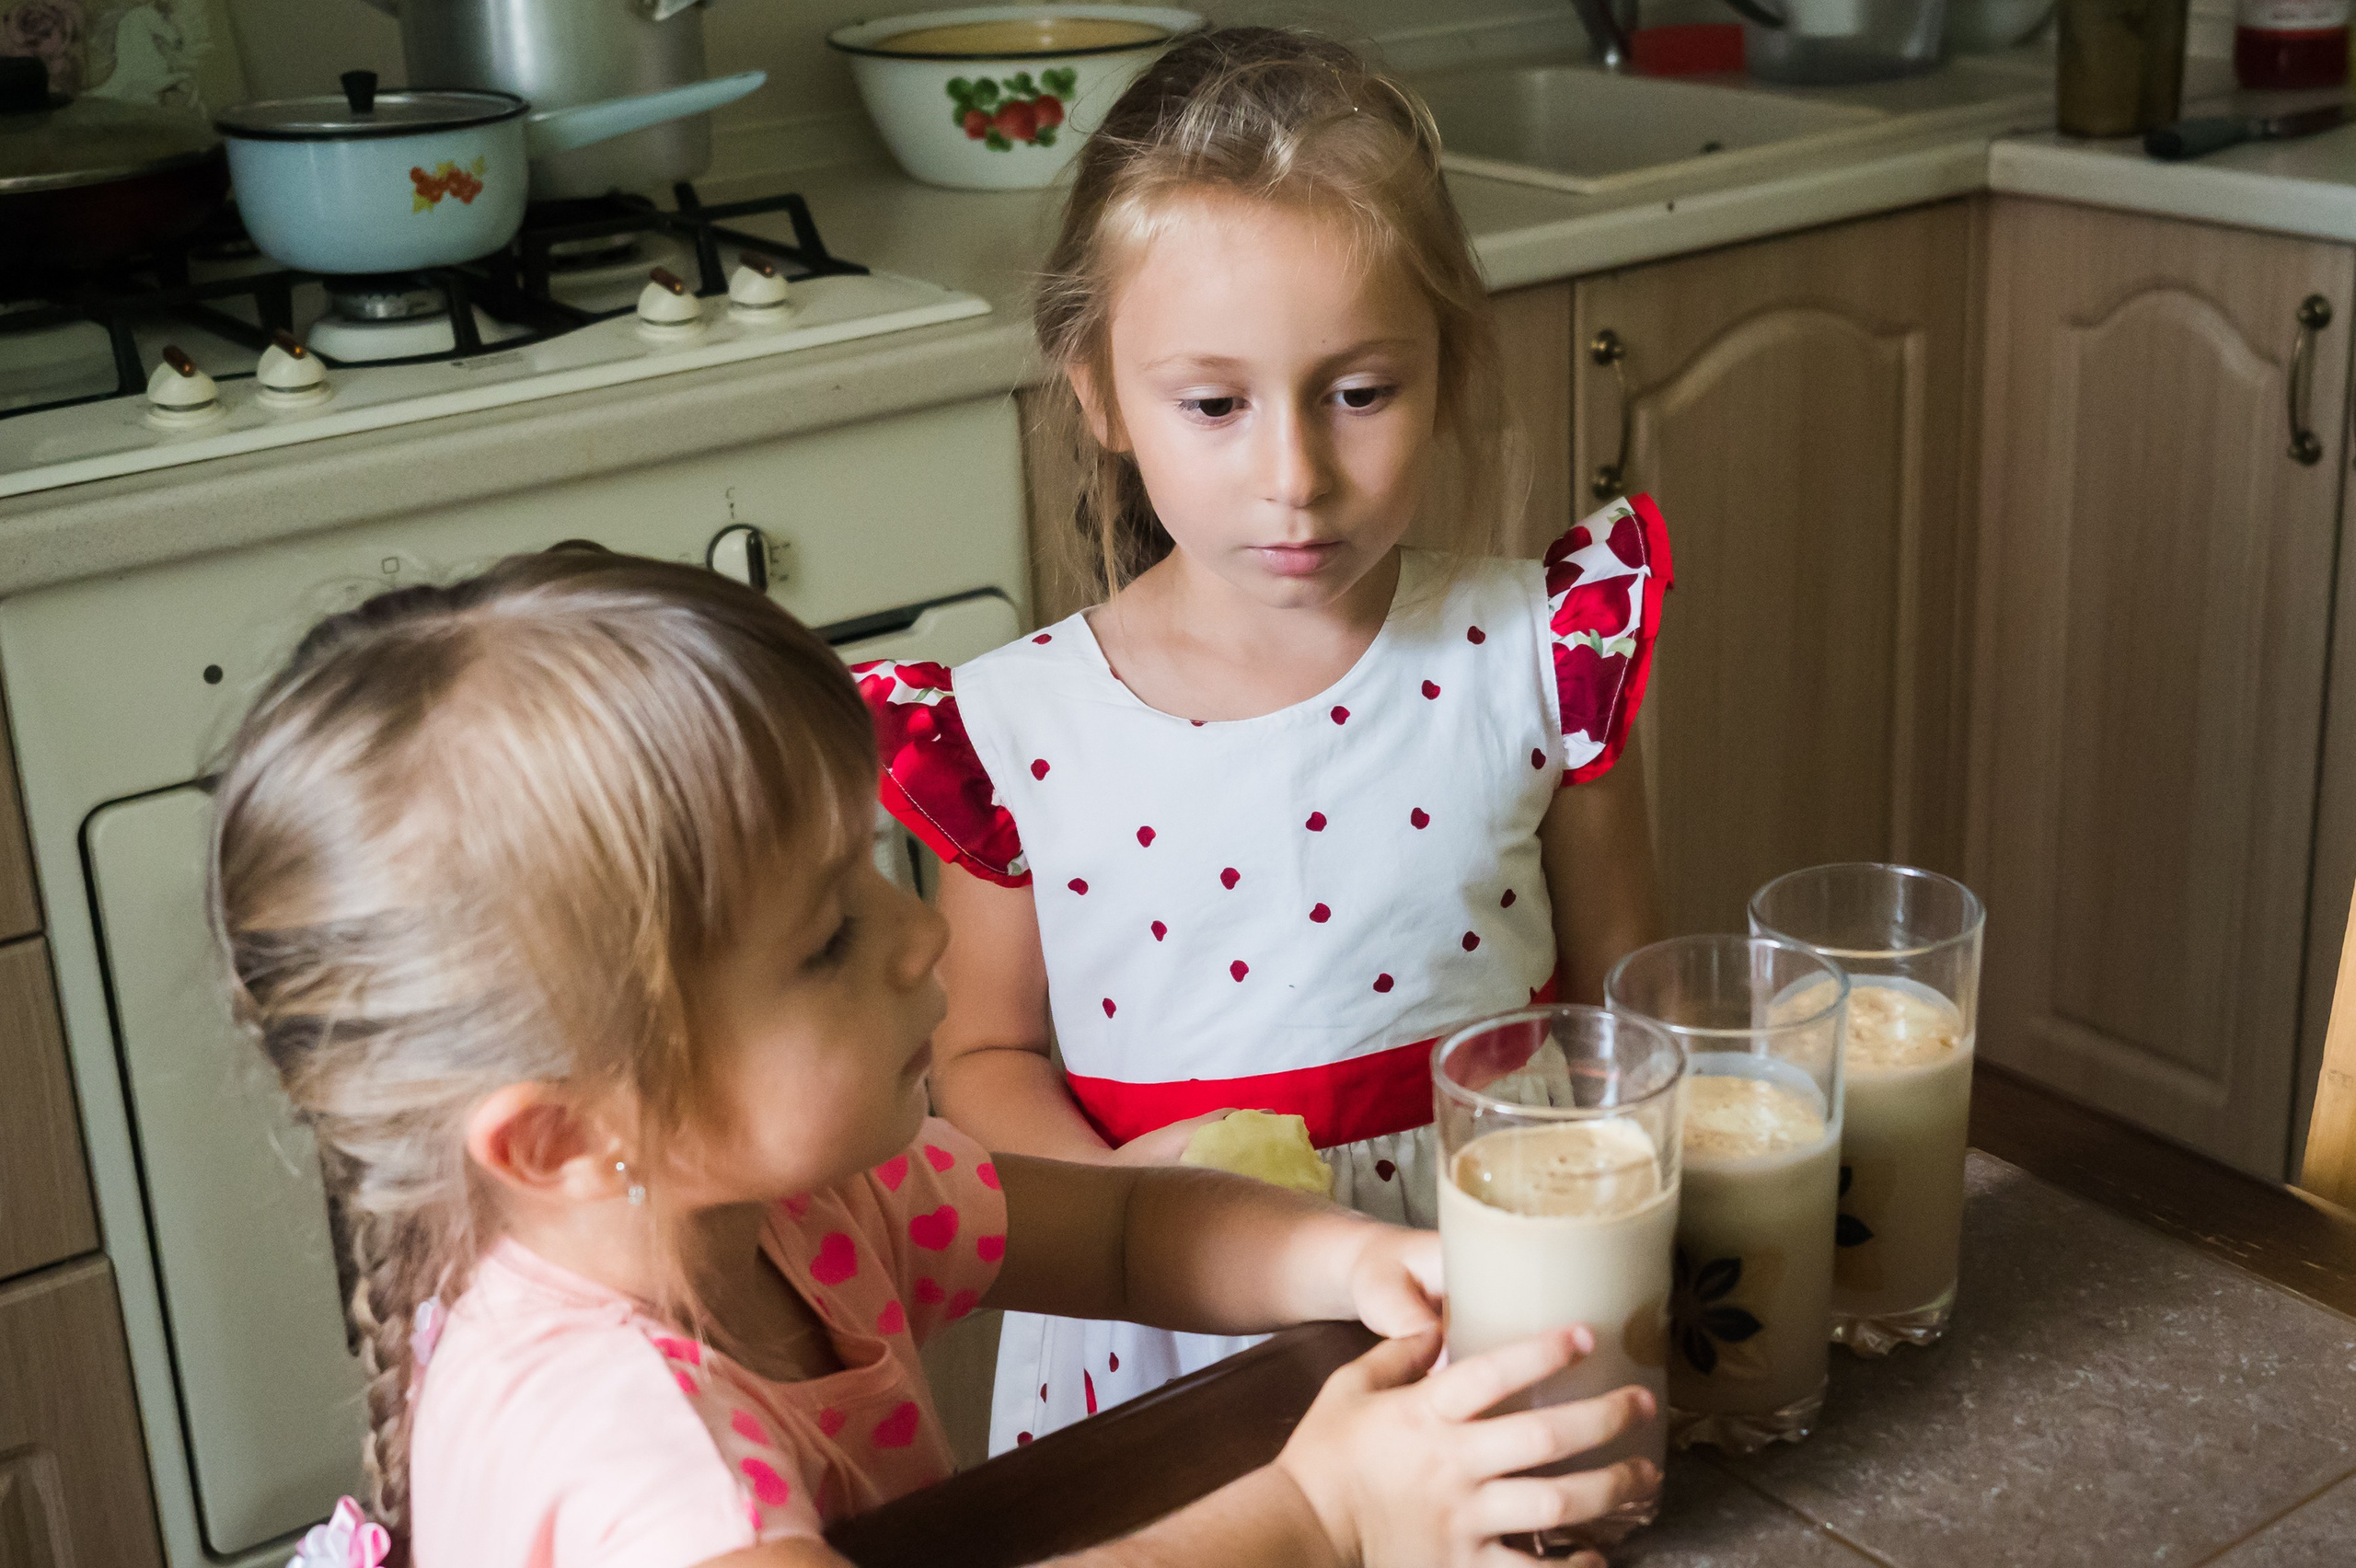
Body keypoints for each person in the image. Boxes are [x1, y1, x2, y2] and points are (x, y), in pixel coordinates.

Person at [214, 554, 1658, 1568]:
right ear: (567, 1137)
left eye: (871, 876)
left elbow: (1129, 1224)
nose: (920, 939)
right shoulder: (628, 1447)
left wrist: (1353, 1264)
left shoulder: (783, 1205)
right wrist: (1327, 1513)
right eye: (825, 940)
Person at [856, 27, 1670, 1452]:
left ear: (1448, 365)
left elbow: (1622, 1010)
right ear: (1100, 390)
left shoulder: (1539, 661)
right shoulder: (1014, 733)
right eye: (1215, 405)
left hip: (1490, 1291)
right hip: (1153, 1329)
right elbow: (980, 1061)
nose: (1294, 476)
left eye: (1361, 393)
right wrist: (1145, 1214)